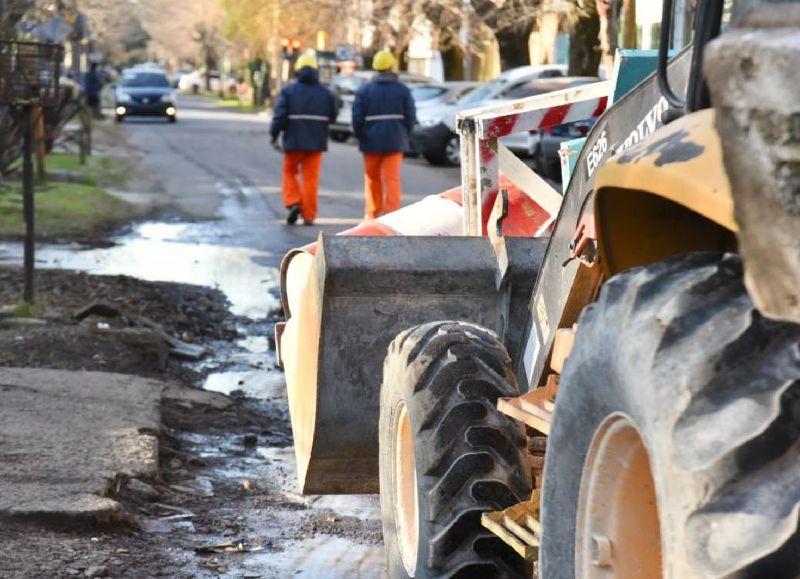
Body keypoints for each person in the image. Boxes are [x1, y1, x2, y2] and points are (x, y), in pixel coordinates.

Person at [270, 54, 336, 225]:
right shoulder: (325, 93)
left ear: (298, 71)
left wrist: (274, 134)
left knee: (290, 172)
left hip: (293, 141)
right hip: (317, 142)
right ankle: (309, 214)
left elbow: (280, 115)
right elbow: (333, 116)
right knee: (310, 178)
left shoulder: (289, 91)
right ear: (316, 71)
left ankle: (293, 202)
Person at [352, 50, 416, 220]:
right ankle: (391, 215)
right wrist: (404, 135)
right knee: (392, 178)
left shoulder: (364, 90)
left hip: (370, 141)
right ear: (391, 67)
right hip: (395, 140)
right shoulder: (402, 90)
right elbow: (410, 117)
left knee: (372, 178)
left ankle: (371, 214)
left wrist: (361, 136)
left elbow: (357, 118)